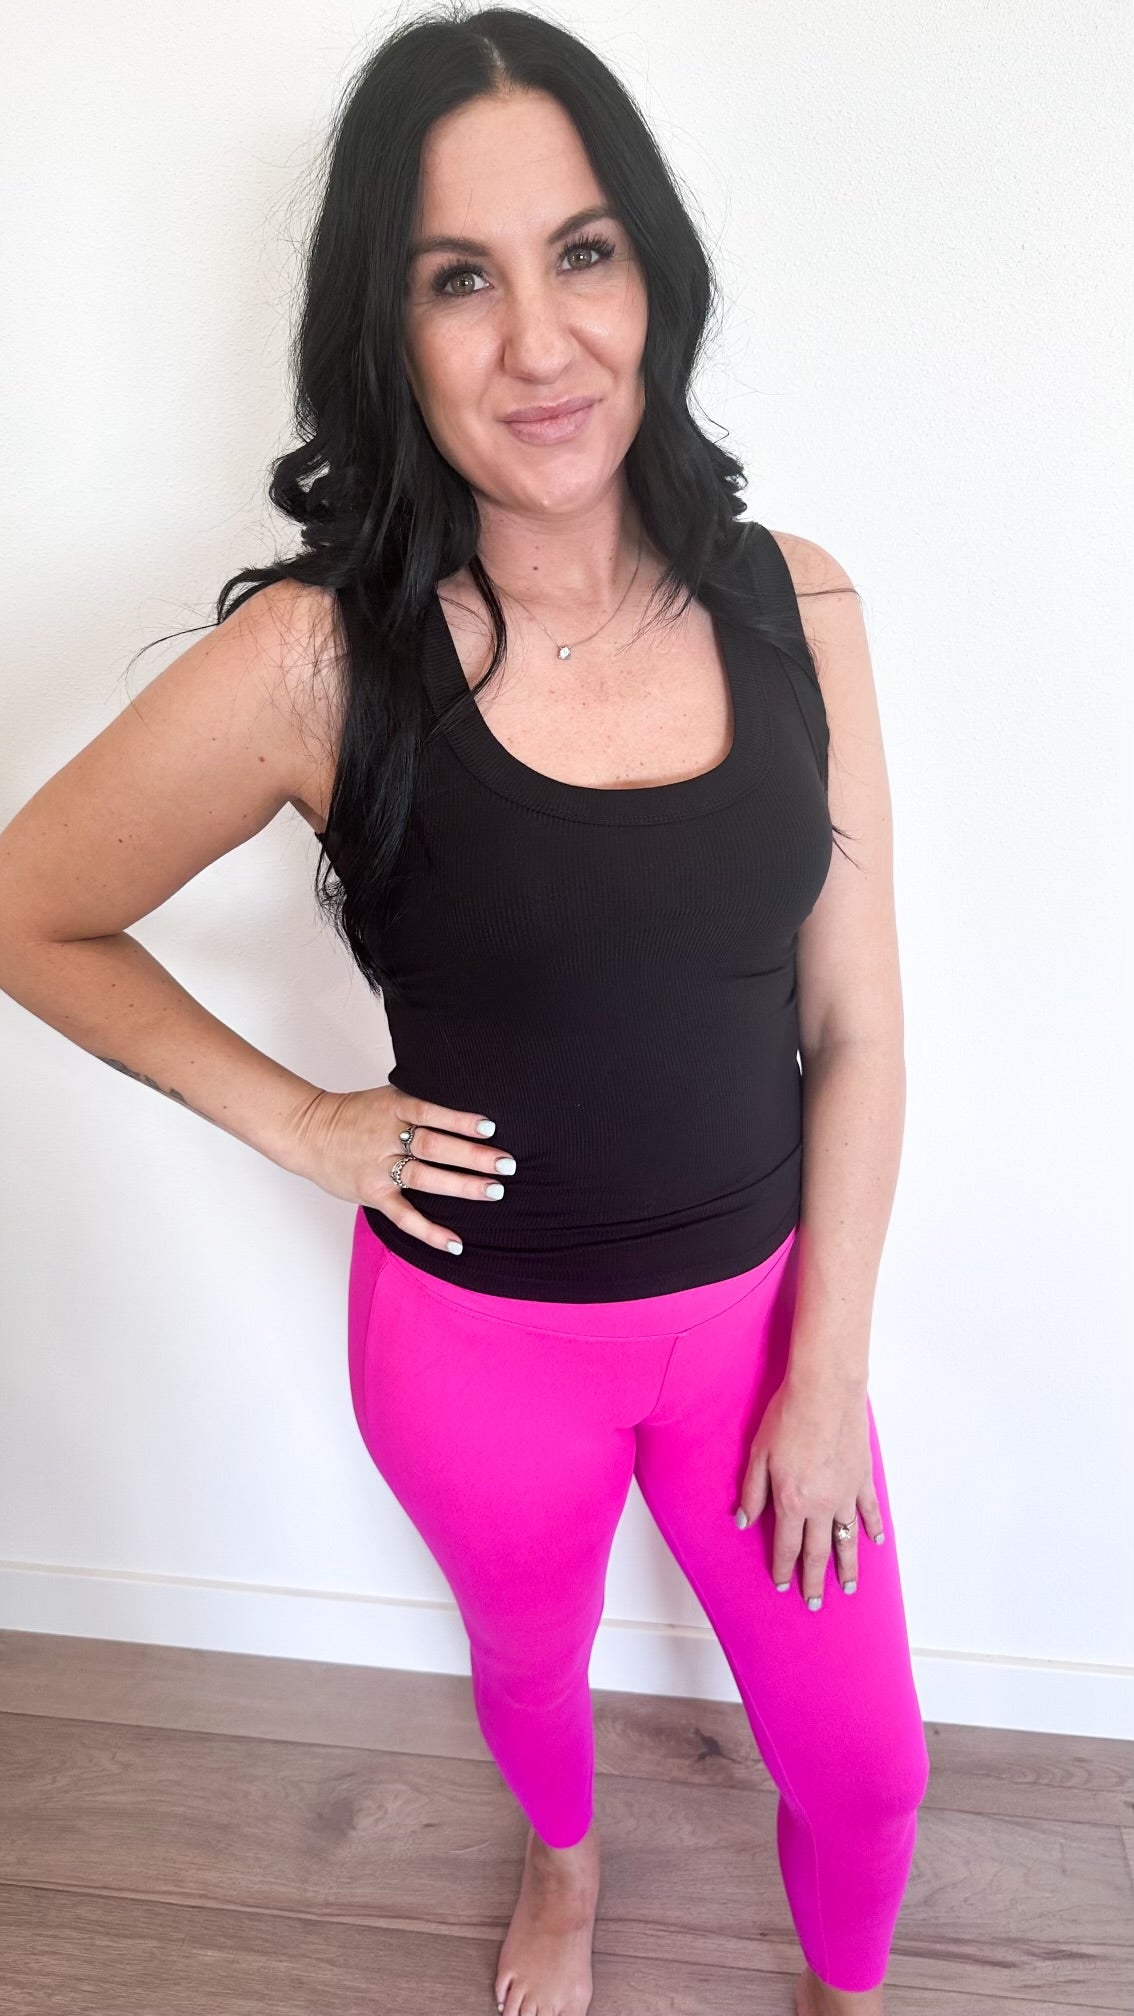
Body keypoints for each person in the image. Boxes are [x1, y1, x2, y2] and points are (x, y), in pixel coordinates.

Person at [0, 9, 930, 2014]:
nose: (538, 341)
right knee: (529, 1665)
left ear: (650, 272)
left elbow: (858, 1022)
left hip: (761, 1330)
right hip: (472, 1350)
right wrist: (303, 1120)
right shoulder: (319, 662)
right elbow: (30, 907)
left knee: (869, 1773)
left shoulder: (799, 603)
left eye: (581, 252)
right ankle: (564, 1865)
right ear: (389, 328)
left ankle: (843, 1992)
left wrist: (828, 1369)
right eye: (458, 278)